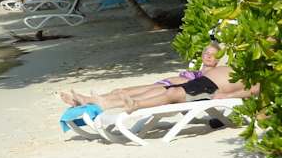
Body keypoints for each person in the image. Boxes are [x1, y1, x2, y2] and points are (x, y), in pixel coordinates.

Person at [60, 43, 222, 108]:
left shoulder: (214, 74)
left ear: (219, 59)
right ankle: (84, 100)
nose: (207, 56)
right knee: (120, 90)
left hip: (170, 89)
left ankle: (92, 101)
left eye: (212, 55)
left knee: (131, 95)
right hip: (163, 84)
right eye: (205, 52)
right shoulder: (199, 70)